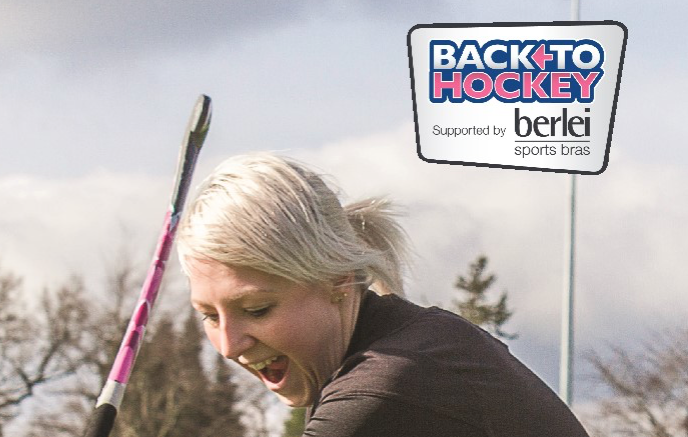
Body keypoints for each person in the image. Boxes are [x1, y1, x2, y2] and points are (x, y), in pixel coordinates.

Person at [177, 152, 589, 436]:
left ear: (338, 280)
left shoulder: (383, 388)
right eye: (210, 316)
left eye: (257, 309)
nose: (228, 346)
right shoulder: (410, 346)